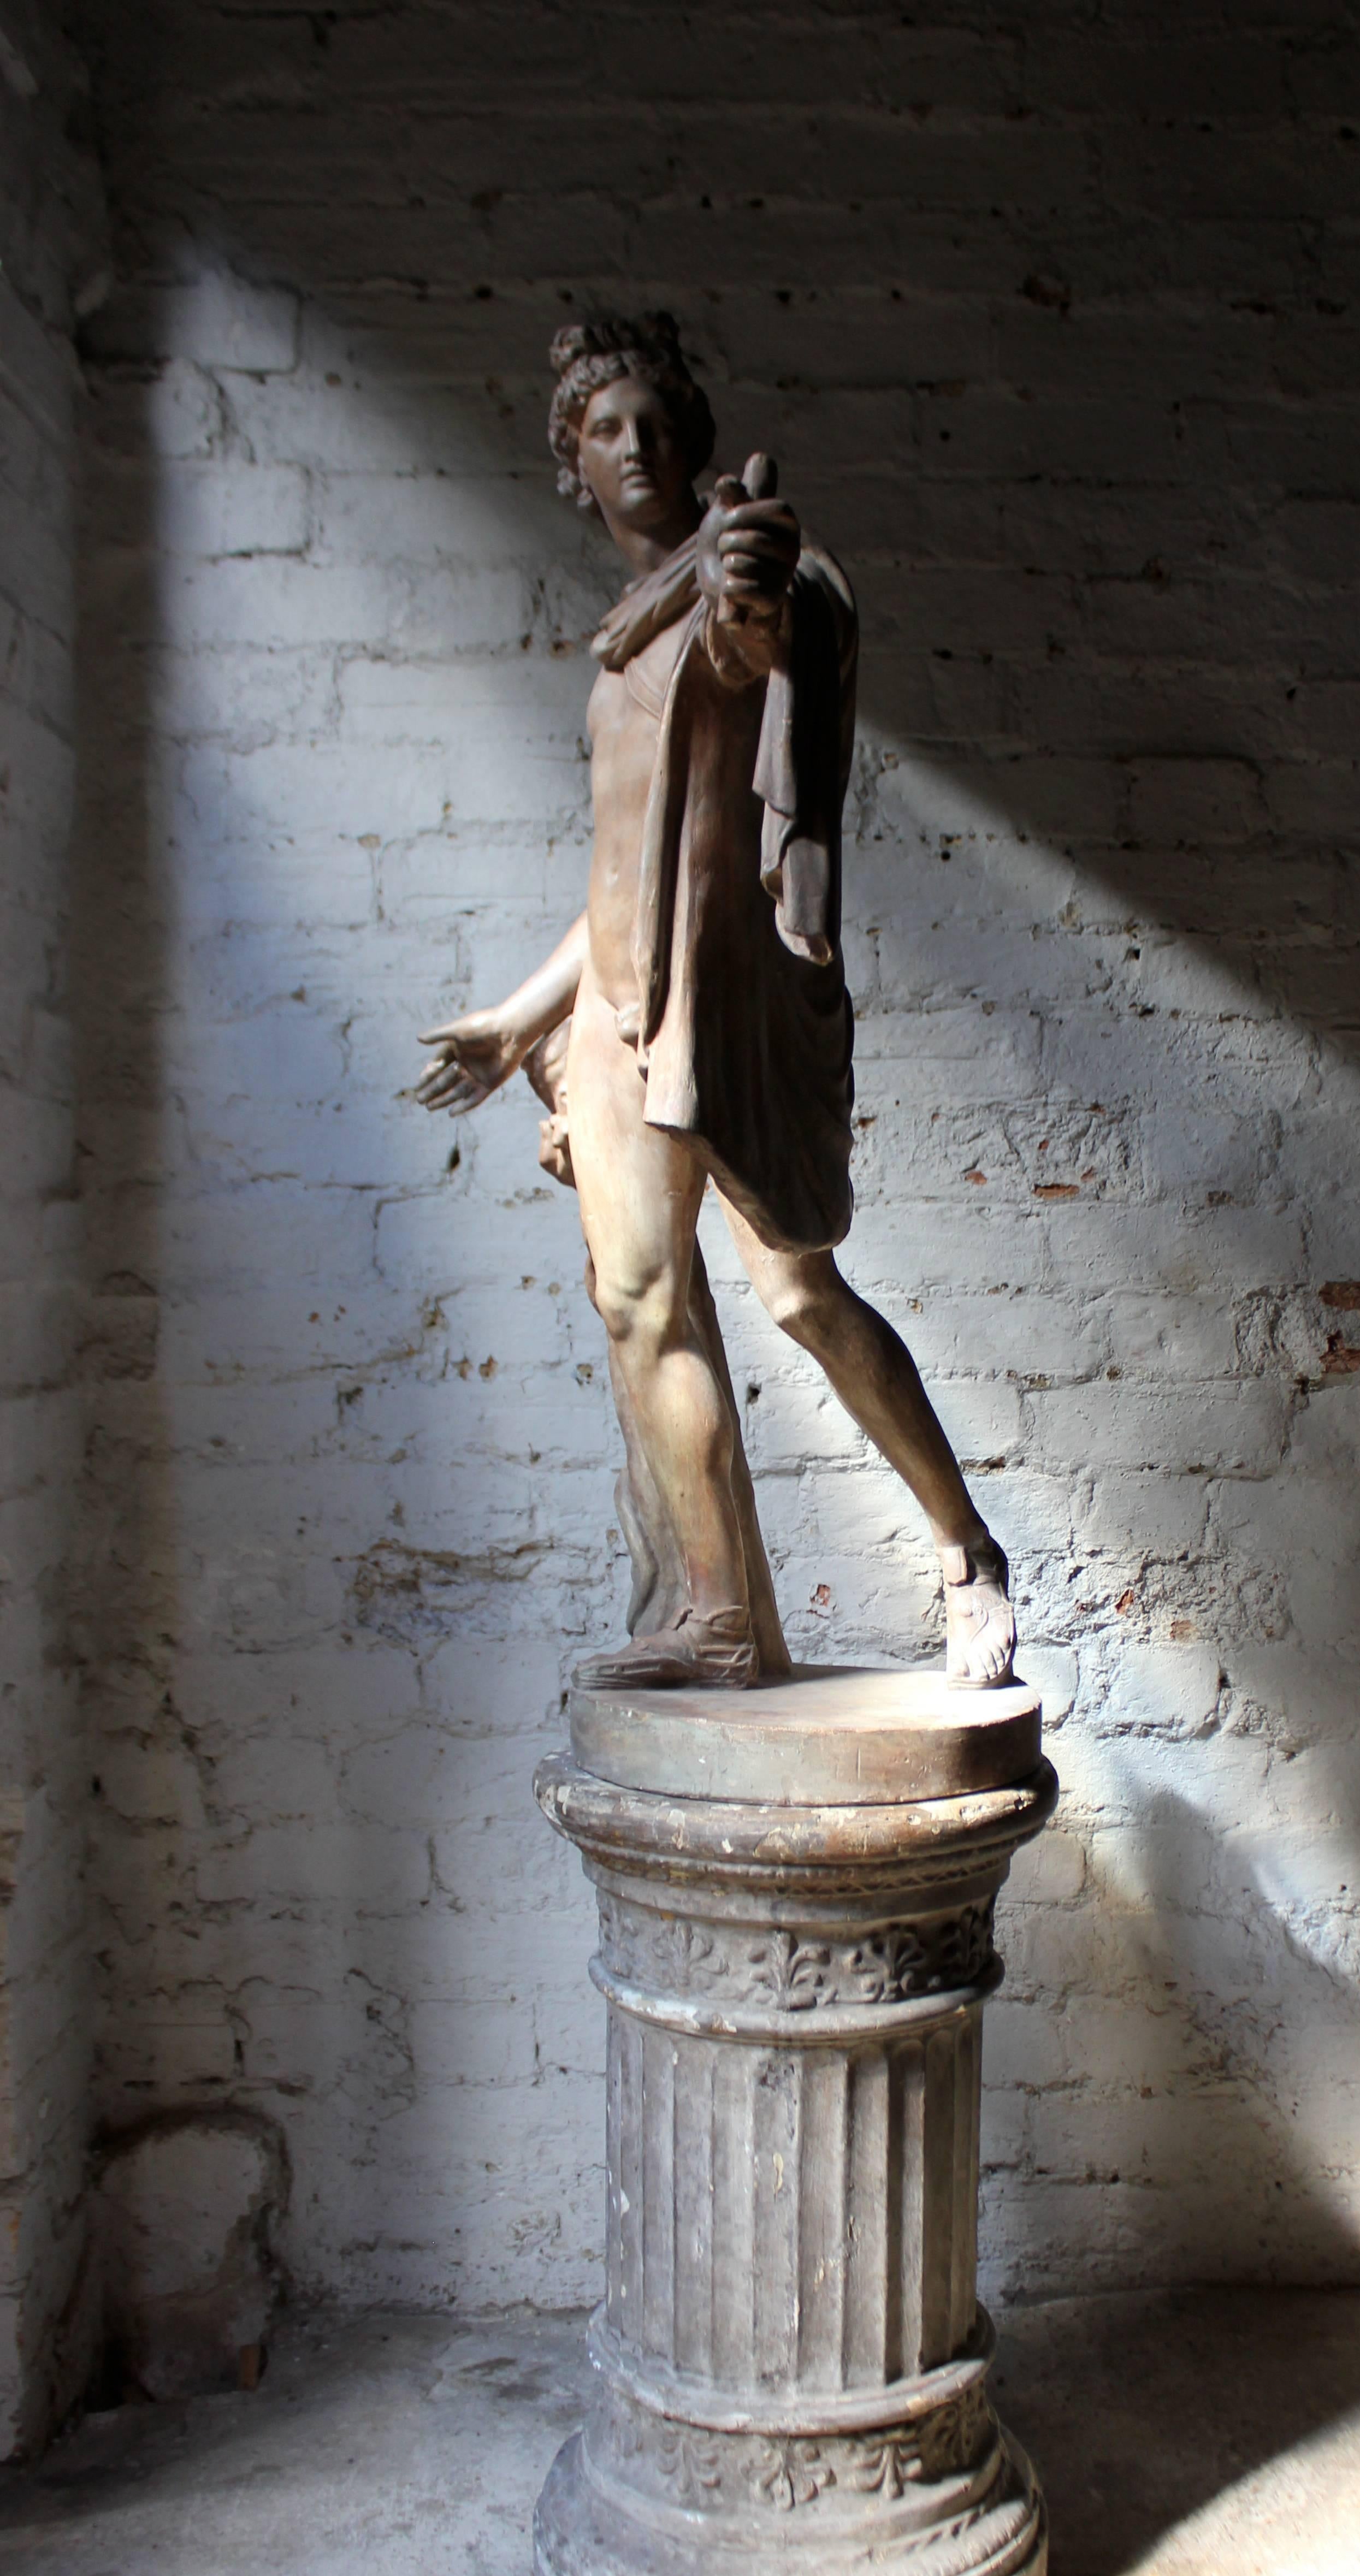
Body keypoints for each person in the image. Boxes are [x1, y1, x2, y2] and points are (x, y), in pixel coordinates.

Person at [412, 313, 1016, 1690]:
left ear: (693, 436)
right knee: (640, 1301)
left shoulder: (744, 580)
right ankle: (717, 1615)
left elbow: (762, 638)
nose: (635, 447)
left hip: (730, 1003)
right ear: (575, 462)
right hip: (615, 1016)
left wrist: (750, 593)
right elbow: (621, 874)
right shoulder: (623, 650)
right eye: (602, 430)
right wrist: (522, 1020)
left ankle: (970, 1550)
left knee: (800, 1295)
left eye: (652, 422)